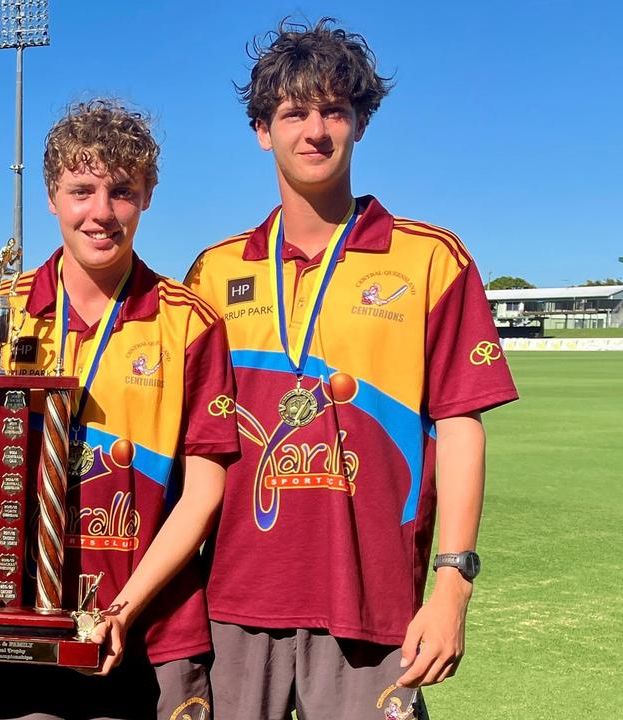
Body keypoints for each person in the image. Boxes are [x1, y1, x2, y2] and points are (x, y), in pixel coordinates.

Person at [185, 18, 519, 720]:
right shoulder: (214, 273)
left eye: (334, 110)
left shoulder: (430, 259)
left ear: (360, 123)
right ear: (261, 130)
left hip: (373, 605)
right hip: (234, 606)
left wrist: (452, 586)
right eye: (293, 113)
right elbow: (191, 455)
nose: (315, 131)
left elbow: (460, 428)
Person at [0, 99, 238, 720]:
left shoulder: (190, 322)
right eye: (81, 190)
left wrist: (122, 610)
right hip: (19, 626)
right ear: (52, 195)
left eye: (122, 191)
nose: (101, 212)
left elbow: (205, 492)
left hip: (154, 631)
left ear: (148, 196)